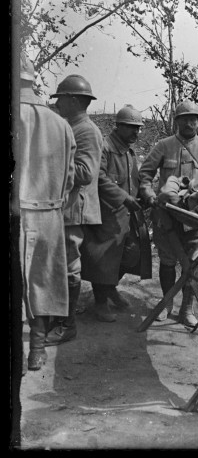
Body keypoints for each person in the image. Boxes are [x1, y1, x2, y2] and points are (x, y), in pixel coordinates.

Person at [139, 101, 198, 327]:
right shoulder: (164, 145)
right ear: (176, 121)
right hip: (166, 216)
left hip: (193, 218)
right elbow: (145, 174)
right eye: (185, 118)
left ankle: (187, 308)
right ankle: (167, 303)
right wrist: (149, 195)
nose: (190, 123)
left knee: (192, 264)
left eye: (194, 119)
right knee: (167, 261)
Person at [14, 54, 77, 370]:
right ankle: (37, 351)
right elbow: (70, 177)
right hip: (50, 213)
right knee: (43, 283)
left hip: (16, 213)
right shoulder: (62, 124)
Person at [45, 74, 103, 347]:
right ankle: (58, 318)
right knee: (57, 265)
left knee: (69, 266)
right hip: (62, 206)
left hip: (73, 208)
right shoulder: (70, 126)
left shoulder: (87, 131)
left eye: (61, 99)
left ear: (74, 100)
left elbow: (86, 173)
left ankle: (67, 325)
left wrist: (50, 160)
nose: (57, 104)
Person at [81, 106, 153, 322]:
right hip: (106, 214)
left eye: (138, 129)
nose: (136, 133)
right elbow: (99, 178)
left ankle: (110, 287)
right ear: (119, 126)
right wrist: (124, 198)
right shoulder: (105, 147)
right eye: (132, 128)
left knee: (131, 254)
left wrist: (147, 195)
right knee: (103, 260)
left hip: (126, 216)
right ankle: (100, 302)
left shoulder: (129, 151)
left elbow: (135, 180)